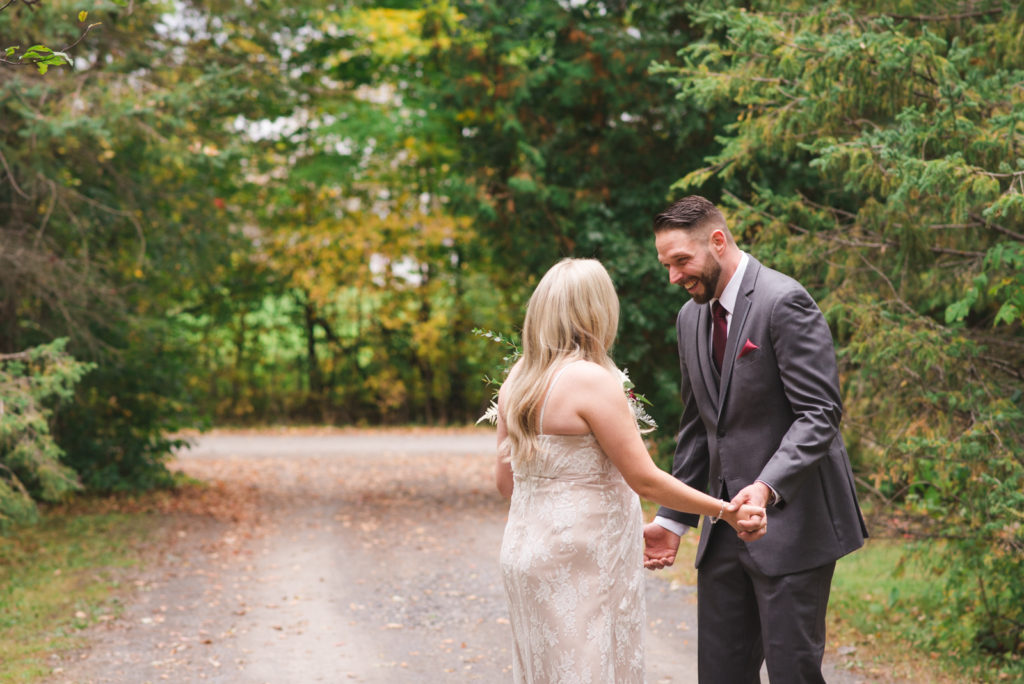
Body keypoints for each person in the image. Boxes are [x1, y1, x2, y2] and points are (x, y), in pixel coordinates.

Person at [494, 257, 766, 684]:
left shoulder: (518, 380)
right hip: (578, 559)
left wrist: (609, 515)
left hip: (526, 553)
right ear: (597, 311)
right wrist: (723, 510)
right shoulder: (591, 380)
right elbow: (644, 478)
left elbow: (506, 482)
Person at [642, 195, 868, 683]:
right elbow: (699, 429)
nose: (674, 277)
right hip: (721, 531)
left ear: (718, 241)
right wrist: (672, 520)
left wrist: (765, 488)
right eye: (667, 265)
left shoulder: (784, 301)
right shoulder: (689, 318)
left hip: (793, 528)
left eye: (682, 261)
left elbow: (820, 414)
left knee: (793, 673)